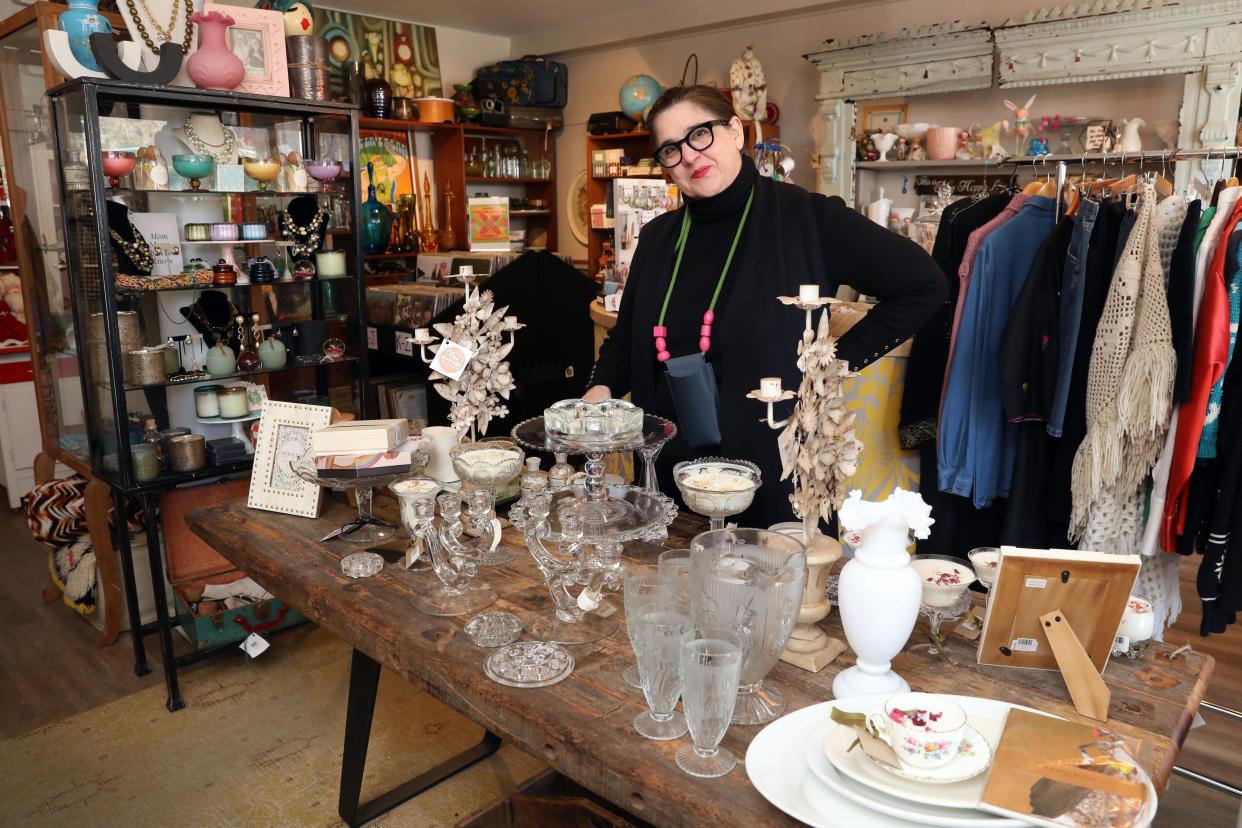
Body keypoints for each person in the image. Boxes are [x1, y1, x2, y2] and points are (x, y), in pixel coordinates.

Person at [585, 85, 946, 526]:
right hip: (671, 473)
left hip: (772, 465)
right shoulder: (659, 237)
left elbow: (924, 285)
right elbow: (627, 339)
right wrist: (598, 392)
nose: (690, 156)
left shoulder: (807, 219)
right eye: (671, 150)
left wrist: (831, 366)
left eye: (700, 135)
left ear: (735, 131)